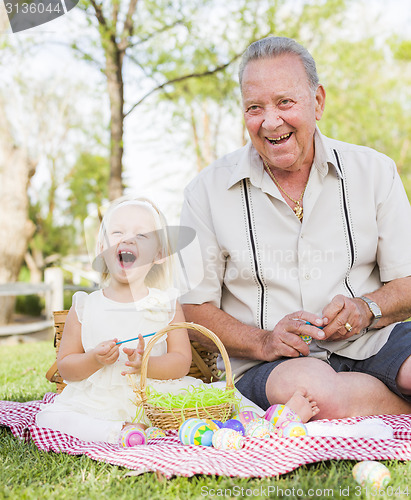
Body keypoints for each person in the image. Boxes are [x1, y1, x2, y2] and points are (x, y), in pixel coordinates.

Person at [180, 36, 411, 420]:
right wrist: (265, 340)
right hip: (268, 365)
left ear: (317, 102)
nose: (271, 121)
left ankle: (369, 405)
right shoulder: (205, 191)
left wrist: (366, 307)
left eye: (285, 102)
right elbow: (193, 310)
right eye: (255, 108)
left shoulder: (375, 171)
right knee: (316, 394)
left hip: (372, 340)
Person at [36, 196, 202, 444]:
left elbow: (180, 362)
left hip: (155, 395)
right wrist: (93, 358)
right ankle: (117, 431)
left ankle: (139, 428)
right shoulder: (85, 306)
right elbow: (66, 367)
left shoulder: (167, 304)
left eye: (142, 235)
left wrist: (147, 363)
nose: (128, 239)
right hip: (99, 399)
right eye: (117, 232)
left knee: (213, 400)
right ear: (102, 247)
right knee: (48, 417)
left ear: (160, 253)